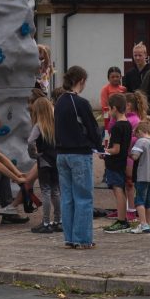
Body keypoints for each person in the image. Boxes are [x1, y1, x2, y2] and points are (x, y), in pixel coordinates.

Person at [54, 65, 102, 250]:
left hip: (61, 154)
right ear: (81, 81)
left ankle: (70, 237)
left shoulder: (59, 102)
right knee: (83, 197)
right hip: (79, 154)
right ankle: (82, 238)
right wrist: (98, 146)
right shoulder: (80, 103)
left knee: (67, 197)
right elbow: (92, 127)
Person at [27, 96, 61, 235]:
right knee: (56, 191)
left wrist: (33, 154)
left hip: (44, 161)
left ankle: (46, 222)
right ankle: (58, 221)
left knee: (45, 191)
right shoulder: (57, 123)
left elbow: (30, 141)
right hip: (57, 160)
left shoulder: (39, 125)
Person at [102, 94, 133, 234]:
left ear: (114, 108)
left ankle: (121, 220)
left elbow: (116, 149)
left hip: (114, 163)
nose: (108, 111)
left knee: (118, 190)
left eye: (109, 108)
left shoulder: (116, 127)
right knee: (121, 189)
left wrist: (104, 152)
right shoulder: (127, 124)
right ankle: (123, 218)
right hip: (122, 162)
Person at [129, 120, 150, 234]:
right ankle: (148, 224)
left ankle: (143, 224)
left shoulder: (140, 142)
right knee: (149, 202)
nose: (135, 136)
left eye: (136, 133)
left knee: (139, 200)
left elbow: (135, 156)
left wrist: (130, 153)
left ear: (140, 131)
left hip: (141, 176)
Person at [100, 66, 127, 133]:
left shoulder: (124, 89)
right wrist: (108, 118)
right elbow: (104, 106)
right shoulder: (105, 89)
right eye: (112, 77)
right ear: (108, 78)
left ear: (120, 77)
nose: (115, 79)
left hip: (123, 117)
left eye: (117, 76)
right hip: (110, 118)